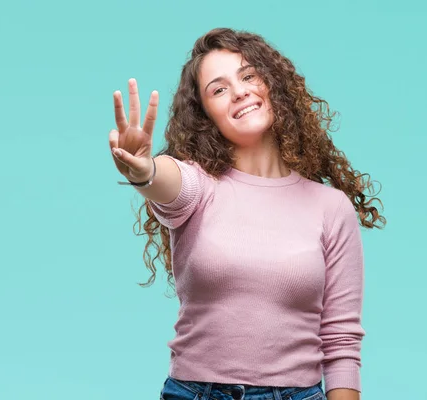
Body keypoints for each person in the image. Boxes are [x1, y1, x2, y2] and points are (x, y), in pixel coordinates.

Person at [108, 28, 385, 400]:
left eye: (249, 75)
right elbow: (168, 182)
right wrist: (144, 171)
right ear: (206, 116)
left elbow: (341, 342)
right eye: (218, 89)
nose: (239, 91)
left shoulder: (330, 208)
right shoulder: (199, 186)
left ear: (273, 84)